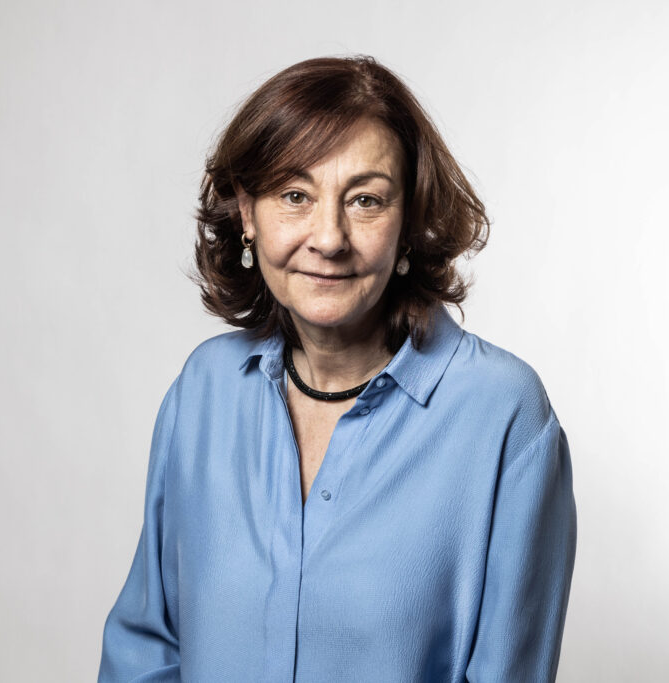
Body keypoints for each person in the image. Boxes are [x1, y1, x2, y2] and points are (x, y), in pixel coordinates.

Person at [98, 55, 576, 682]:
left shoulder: (505, 418)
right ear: (247, 214)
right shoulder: (203, 391)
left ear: (408, 222)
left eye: (366, 200)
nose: (329, 237)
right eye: (294, 195)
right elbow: (145, 651)